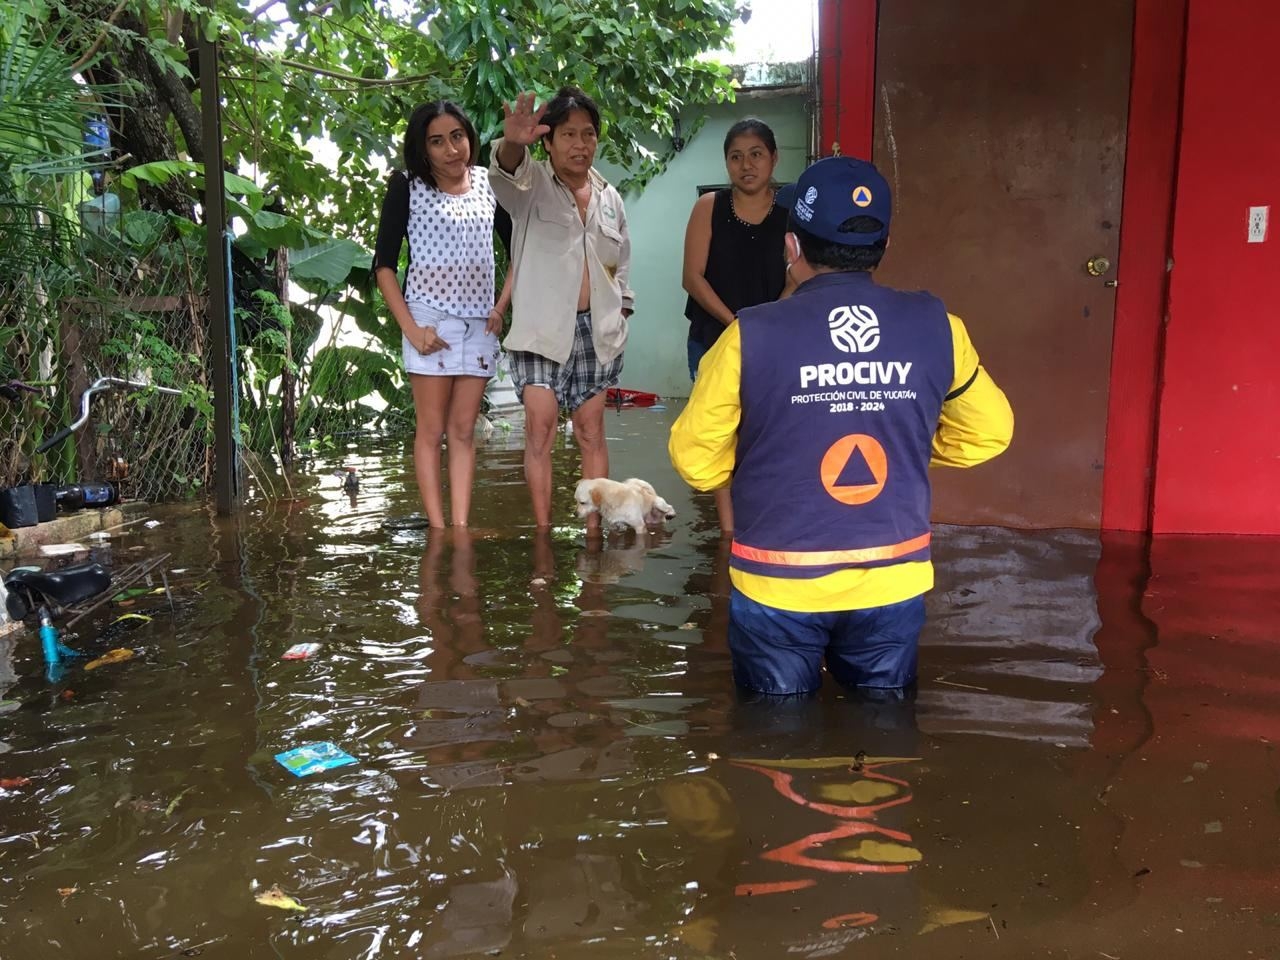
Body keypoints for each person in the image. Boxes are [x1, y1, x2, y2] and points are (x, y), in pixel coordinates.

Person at [668, 156, 1014, 696]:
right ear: (883, 248)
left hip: (778, 583)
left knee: (774, 740)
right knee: (881, 736)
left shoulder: (747, 337)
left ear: (792, 248)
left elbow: (695, 459)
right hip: (892, 576)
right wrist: (903, 445)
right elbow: (990, 432)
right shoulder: (940, 328)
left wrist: (772, 454)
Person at [489, 88, 634, 532]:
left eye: (588, 134)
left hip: (597, 333)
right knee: (541, 428)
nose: (580, 144)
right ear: (547, 142)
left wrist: (622, 311)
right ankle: (542, 535)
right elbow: (503, 172)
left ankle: (594, 533)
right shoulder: (529, 185)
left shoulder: (610, 197)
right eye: (568, 134)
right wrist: (514, 141)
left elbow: (621, 264)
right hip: (540, 332)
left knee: (591, 432)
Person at [373, 100, 511, 528]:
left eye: (458, 136)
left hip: (480, 324)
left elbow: (519, 248)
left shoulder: (491, 184)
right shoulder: (407, 186)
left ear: (470, 136)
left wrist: (502, 305)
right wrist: (412, 331)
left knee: (464, 431)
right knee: (431, 432)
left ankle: (461, 528)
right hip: (429, 319)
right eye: (438, 141)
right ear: (423, 148)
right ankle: (438, 529)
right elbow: (383, 266)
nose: (452, 149)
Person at [682, 117, 793, 535]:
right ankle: (730, 533)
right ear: (726, 164)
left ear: (773, 158)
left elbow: (797, 280)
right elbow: (692, 277)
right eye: (736, 157)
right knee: (722, 435)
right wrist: (737, 325)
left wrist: (760, 328)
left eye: (756, 155)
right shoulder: (709, 207)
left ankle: (765, 522)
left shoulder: (790, 216)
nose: (746, 165)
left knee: (769, 433)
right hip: (712, 339)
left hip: (774, 344)